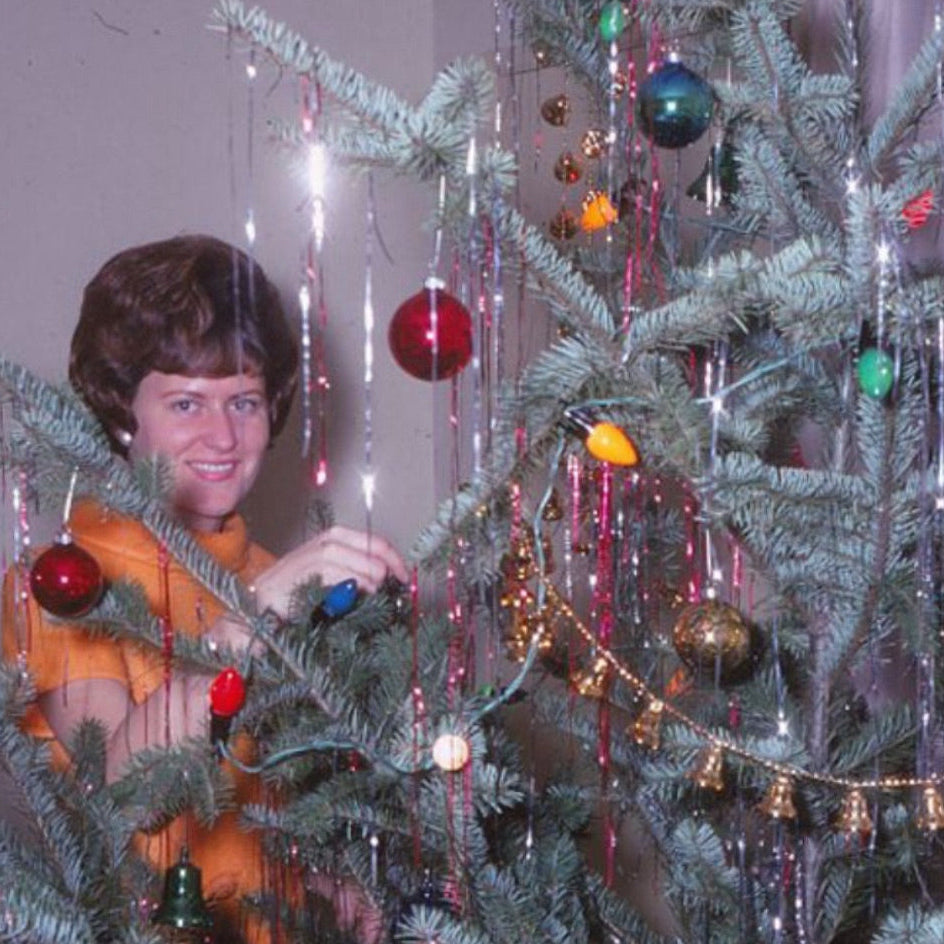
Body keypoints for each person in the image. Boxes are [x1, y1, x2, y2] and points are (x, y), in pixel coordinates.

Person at [2, 234, 407, 942]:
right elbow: (126, 796)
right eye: (187, 404)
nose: (224, 435)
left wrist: (331, 883)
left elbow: (265, 809)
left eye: (245, 401)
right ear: (123, 414)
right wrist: (253, 618)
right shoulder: (63, 583)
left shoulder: (273, 576)